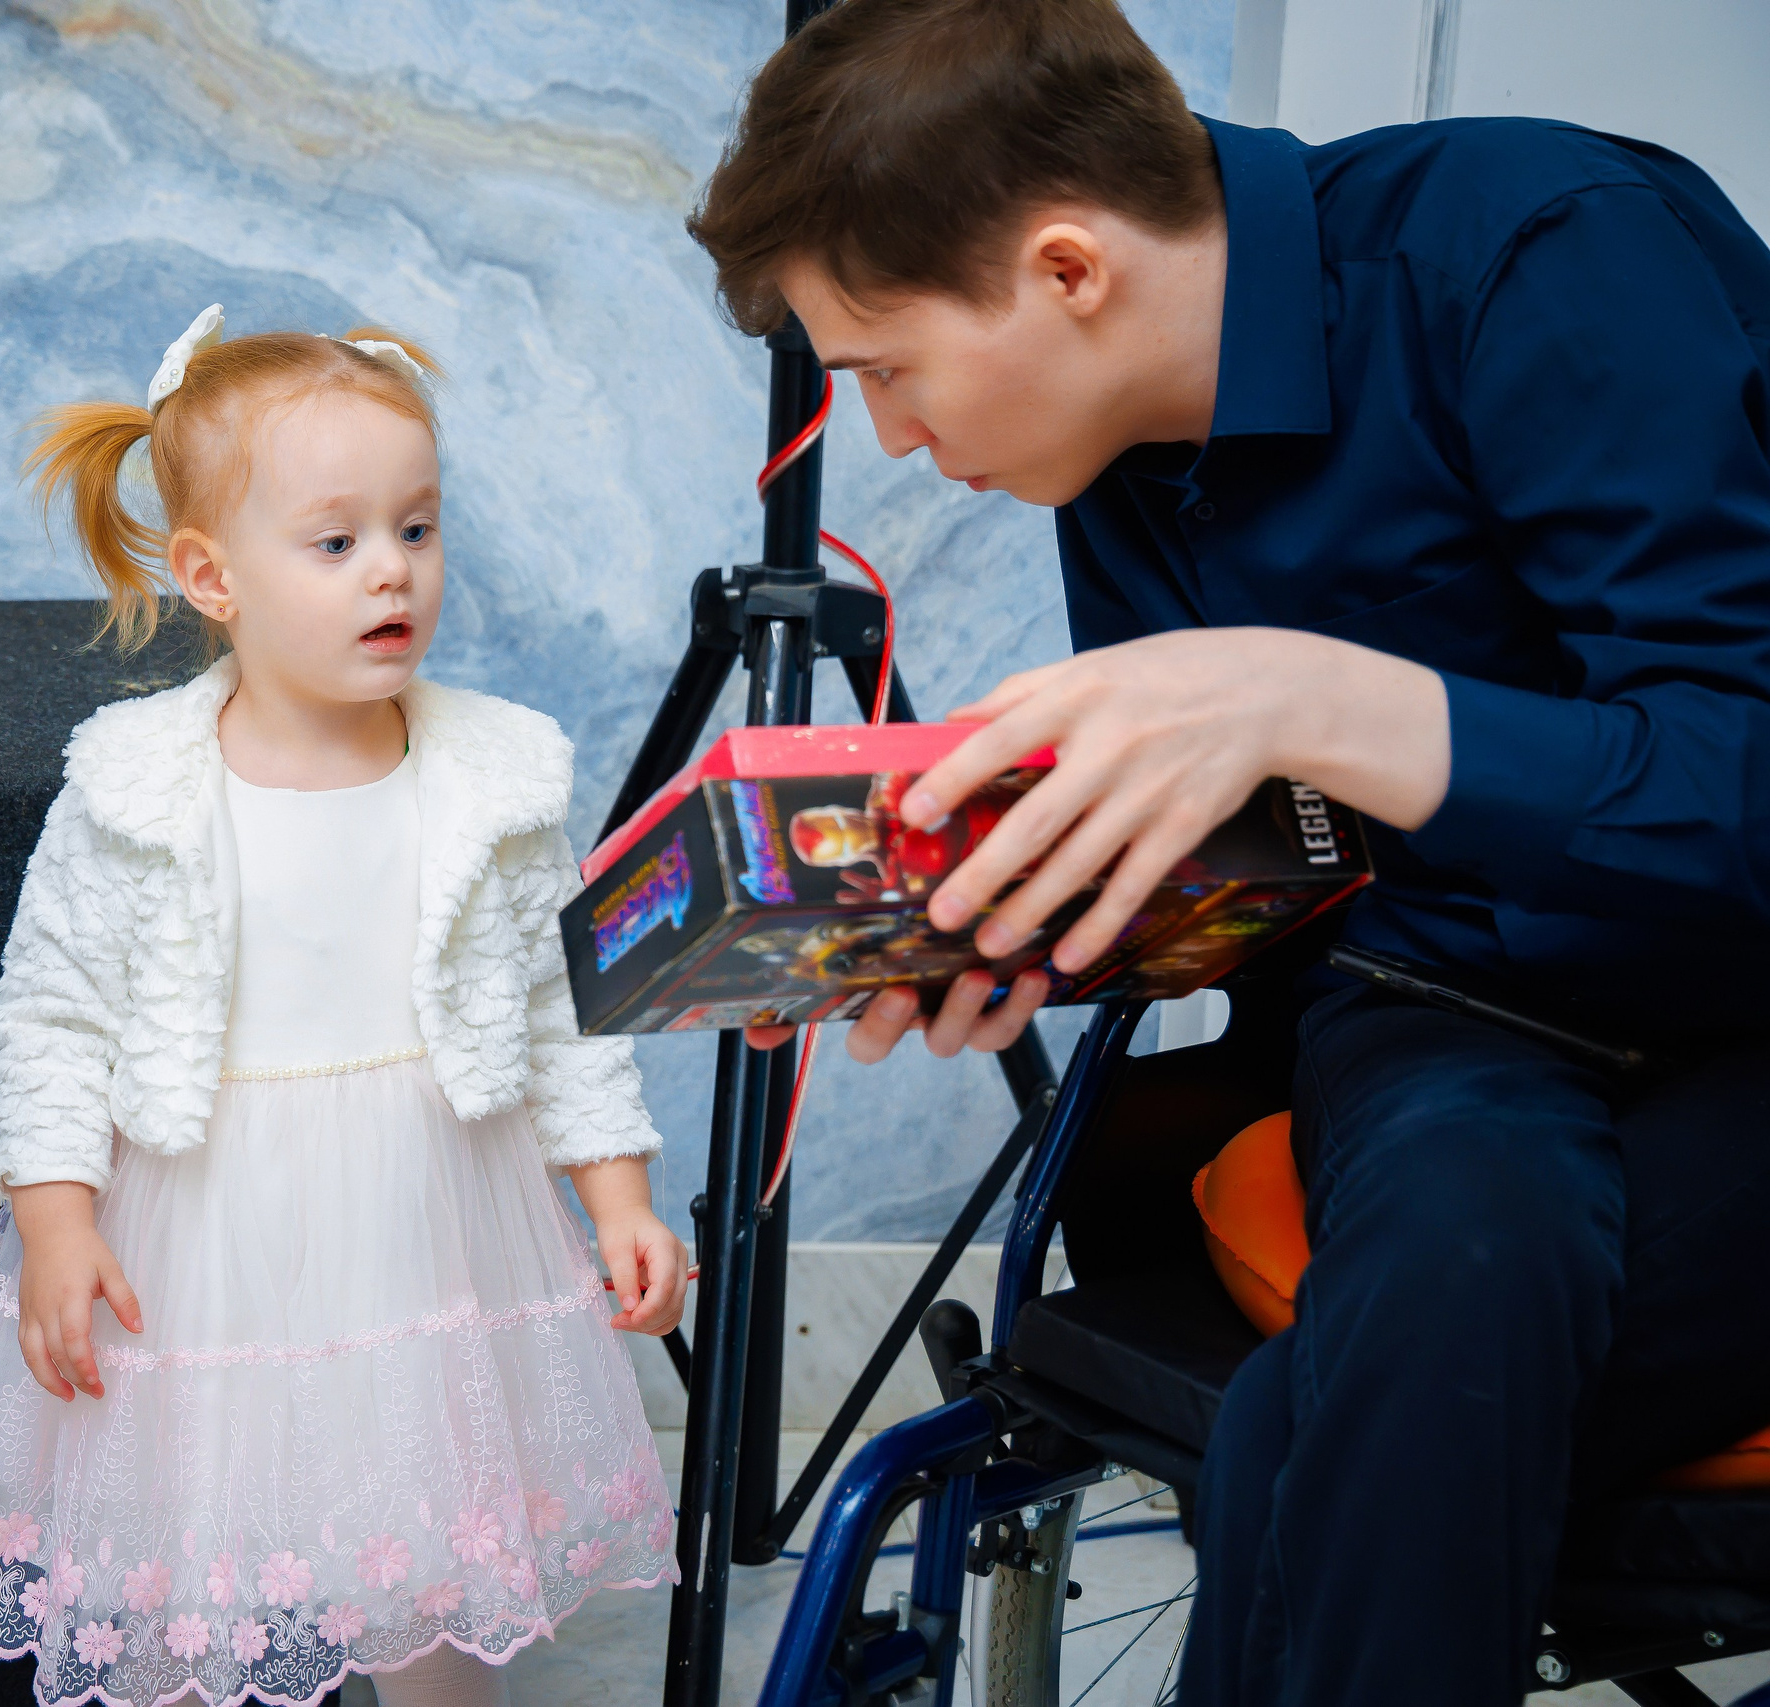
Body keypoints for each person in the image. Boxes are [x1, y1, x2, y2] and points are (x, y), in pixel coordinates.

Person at [686, 0, 1770, 1701]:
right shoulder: (1111, 463)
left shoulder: (1534, 253)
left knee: (1320, 1412)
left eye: (884, 368)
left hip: (1750, 1011)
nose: (886, 436)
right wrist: (1038, 930)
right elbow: (1293, 858)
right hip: (1449, 1009)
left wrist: (1317, 696)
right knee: (1442, 1279)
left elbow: (1742, 783)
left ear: (1066, 269)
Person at [0, 308, 685, 1706]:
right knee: (197, 1570)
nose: (393, 572)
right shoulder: (136, 791)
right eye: (337, 542)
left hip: (428, 1233)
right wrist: (59, 1224)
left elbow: (563, 1006)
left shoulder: (492, 778)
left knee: (431, 1577)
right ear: (211, 575)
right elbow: (51, 1017)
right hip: (203, 1237)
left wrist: (616, 1198)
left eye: (417, 530)